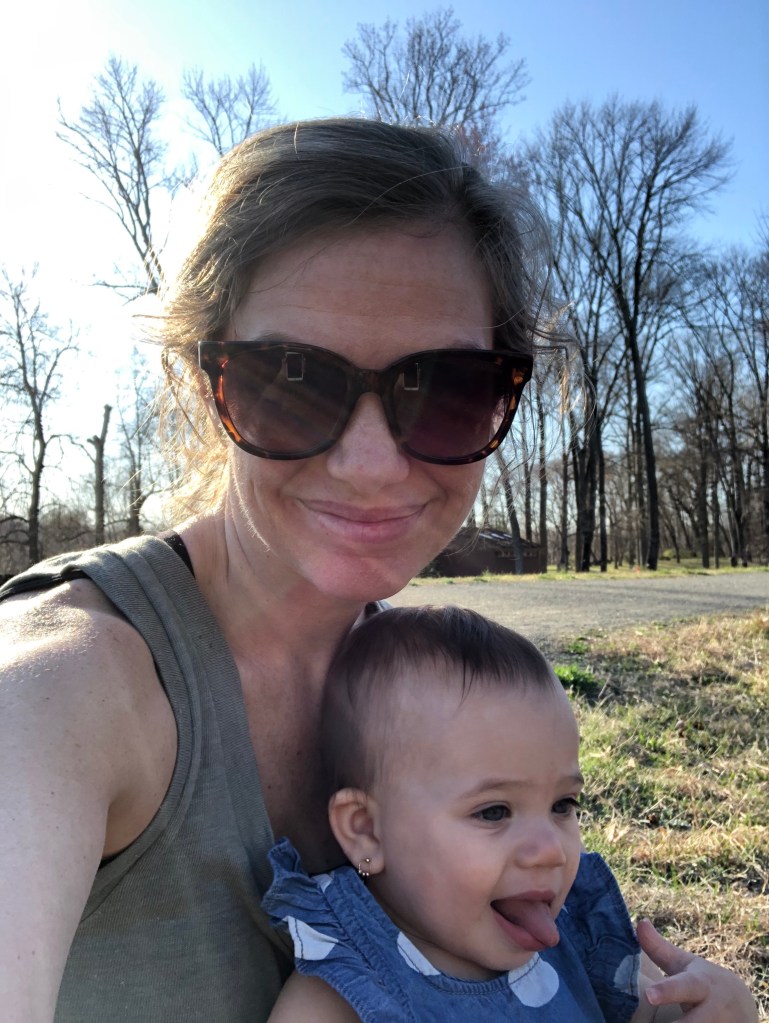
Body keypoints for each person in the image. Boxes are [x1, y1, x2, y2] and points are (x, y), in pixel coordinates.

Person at [0, 117, 543, 1022]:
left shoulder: (425, 688)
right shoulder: (68, 687)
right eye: (291, 377)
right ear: (200, 381)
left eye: (445, 386)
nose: (371, 465)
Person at [263, 606, 758, 1023]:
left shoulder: (574, 942)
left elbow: (655, 1013)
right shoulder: (346, 991)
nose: (549, 850)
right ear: (367, 831)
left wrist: (718, 1006)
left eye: (562, 805)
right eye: (494, 811)